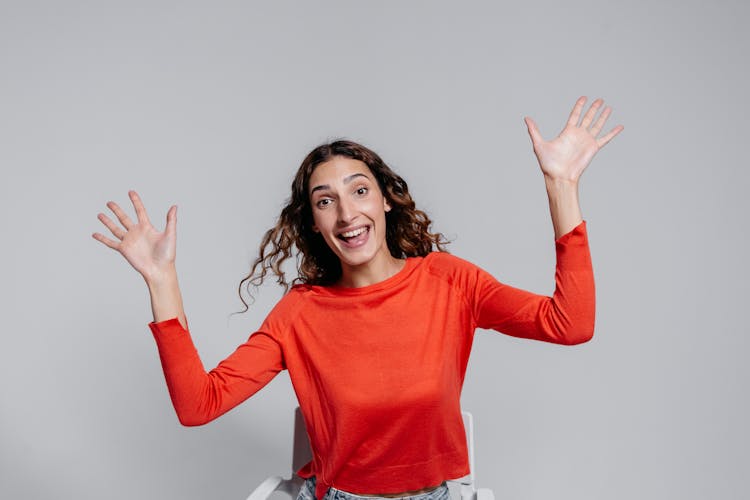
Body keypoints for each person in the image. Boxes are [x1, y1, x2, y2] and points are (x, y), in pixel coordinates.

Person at [92, 96, 623, 500]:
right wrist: (161, 280)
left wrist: (561, 187)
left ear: (386, 200)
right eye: (326, 201)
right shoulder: (300, 313)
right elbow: (198, 405)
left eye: (359, 190)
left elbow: (570, 323)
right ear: (314, 223)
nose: (347, 214)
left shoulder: (448, 281)